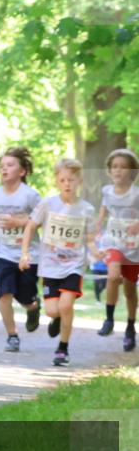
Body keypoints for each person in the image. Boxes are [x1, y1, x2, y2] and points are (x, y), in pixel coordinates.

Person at [20, 158, 100, 366]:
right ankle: (56, 319)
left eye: (71, 180)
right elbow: (30, 226)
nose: (67, 184)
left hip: (73, 266)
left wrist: (97, 253)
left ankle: (62, 349)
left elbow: (90, 239)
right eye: (63, 180)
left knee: (66, 305)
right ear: (57, 181)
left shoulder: (86, 209)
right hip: (50, 266)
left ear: (79, 181)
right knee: (53, 310)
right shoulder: (48, 204)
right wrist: (25, 253)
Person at [0, 147, 42, 353]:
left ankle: (33, 307)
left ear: (22, 171)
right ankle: (12, 336)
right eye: (2, 166)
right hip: (3, 252)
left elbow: (42, 220)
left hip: (28, 254)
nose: (4, 169)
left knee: (24, 296)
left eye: (10, 165)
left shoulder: (30, 195)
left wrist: (17, 221)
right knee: (4, 293)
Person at [94, 148, 139, 351]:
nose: (118, 171)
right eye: (115, 167)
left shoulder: (136, 193)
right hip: (113, 241)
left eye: (123, 167)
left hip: (133, 244)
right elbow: (103, 212)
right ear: (109, 171)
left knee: (130, 290)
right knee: (112, 276)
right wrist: (96, 226)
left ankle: (130, 327)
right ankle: (109, 319)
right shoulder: (106, 191)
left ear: (131, 171)